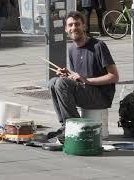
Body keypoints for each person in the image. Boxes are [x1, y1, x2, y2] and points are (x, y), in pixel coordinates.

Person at [48, 11, 119, 142]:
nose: (73, 28)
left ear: (84, 27)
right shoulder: (71, 49)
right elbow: (77, 78)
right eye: (70, 25)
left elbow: (114, 76)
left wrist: (87, 80)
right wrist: (68, 74)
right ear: (66, 29)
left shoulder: (98, 46)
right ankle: (65, 126)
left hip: (101, 96)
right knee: (53, 82)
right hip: (85, 91)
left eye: (77, 24)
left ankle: (75, 127)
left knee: (61, 83)